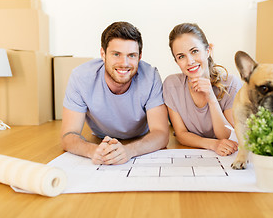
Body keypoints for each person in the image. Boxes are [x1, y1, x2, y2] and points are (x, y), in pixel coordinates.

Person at [61, 21, 169, 165]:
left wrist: (130, 151)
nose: (124, 63)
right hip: (100, 138)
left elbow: (161, 134)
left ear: (140, 56)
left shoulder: (151, 76)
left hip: (140, 139)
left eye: (131, 55)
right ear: (103, 54)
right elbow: (68, 135)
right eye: (116, 54)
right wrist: (93, 151)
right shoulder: (80, 77)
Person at [163, 23, 242, 156]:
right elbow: (181, 134)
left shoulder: (231, 83)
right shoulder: (171, 85)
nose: (190, 61)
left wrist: (211, 98)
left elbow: (228, 136)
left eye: (194, 51)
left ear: (208, 51)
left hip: (226, 154)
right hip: (192, 152)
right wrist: (212, 144)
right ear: (177, 61)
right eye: (181, 56)